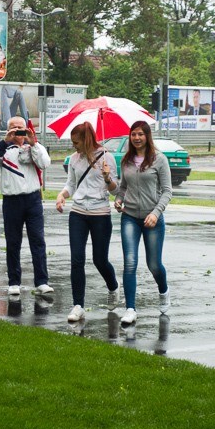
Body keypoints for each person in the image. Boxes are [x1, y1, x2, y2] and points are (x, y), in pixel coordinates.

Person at [55, 122, 120, 323]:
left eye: (76, 142)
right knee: (77, 259)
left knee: (100, 260)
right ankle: (78, 305)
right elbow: (71, 184)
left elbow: (116, 190)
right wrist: (62, 195)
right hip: (78, 213)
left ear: (87, 140)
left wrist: (107, 177)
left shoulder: (107, 157)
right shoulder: (74, 159)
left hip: (100, 214)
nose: (74, 145)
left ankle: (113, 287)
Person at [0, 116, 53, 296]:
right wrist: (4, 142)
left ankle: (42, 282)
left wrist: (33, 144)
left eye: (20, 127)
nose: (17, 131)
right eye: (13, 128)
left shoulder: (35, 147)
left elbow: (45, 163)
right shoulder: (3, 149)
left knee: (38, 241)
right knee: (13, 242)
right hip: (11, 201)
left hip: (33, 200)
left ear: (27, 129)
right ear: (8, 130)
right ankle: (14, 282)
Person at [114, 120, 173, 326]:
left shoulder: (159, 159)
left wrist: (156, 213)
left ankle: (163, 291)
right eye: (133, 134)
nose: (137, 138)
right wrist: (119, 199)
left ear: (147, 136)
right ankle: (130, 309)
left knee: (154, 265)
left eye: (140, 134)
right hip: (129, 217)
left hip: (152, 219)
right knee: (130, 262)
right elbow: (123, 188)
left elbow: (167, 192)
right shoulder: (126, 160)